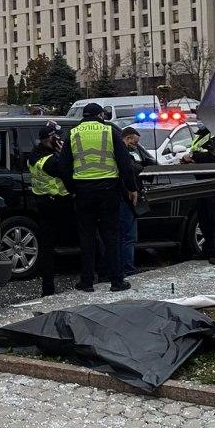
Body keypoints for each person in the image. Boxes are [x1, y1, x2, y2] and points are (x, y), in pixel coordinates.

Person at [49, 102, 137, 292]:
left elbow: (63, 167)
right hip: (108, 190)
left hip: (83, 192)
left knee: (87, 238)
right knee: (111, 236)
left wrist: (73, 189)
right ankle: (117, 281)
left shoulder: (72, 133)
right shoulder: (109, 131)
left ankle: (87, 281)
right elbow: (125, 163)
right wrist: (131, 187)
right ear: (100, 115)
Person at [26, 121, 67, 298]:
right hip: (58, 204)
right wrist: (62, 150)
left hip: (42, 203)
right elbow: (67, 170)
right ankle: (49, 286)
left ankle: (47, 286)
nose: (59, 139)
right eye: (56, 137)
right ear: (49, 139)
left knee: (47, 246)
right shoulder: (50, 160)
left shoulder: (33, 156)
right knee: (87, 236)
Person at [181, 125, 215, 264]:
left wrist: (193, 156)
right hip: (202, 183)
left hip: (214, 183)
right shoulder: (202, 135)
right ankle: (208, 249)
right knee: (204, 219)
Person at [119, 126, 153, 278]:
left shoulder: (119, 151)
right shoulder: (123, 153)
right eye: (135, 143)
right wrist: (145, 167)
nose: (136, 146)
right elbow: (131, 169)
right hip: (125, 198)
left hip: (117, 197)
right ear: (127, 139)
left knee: (122, 235)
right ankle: (128, 269)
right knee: (128, 236)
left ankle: (122, 267)